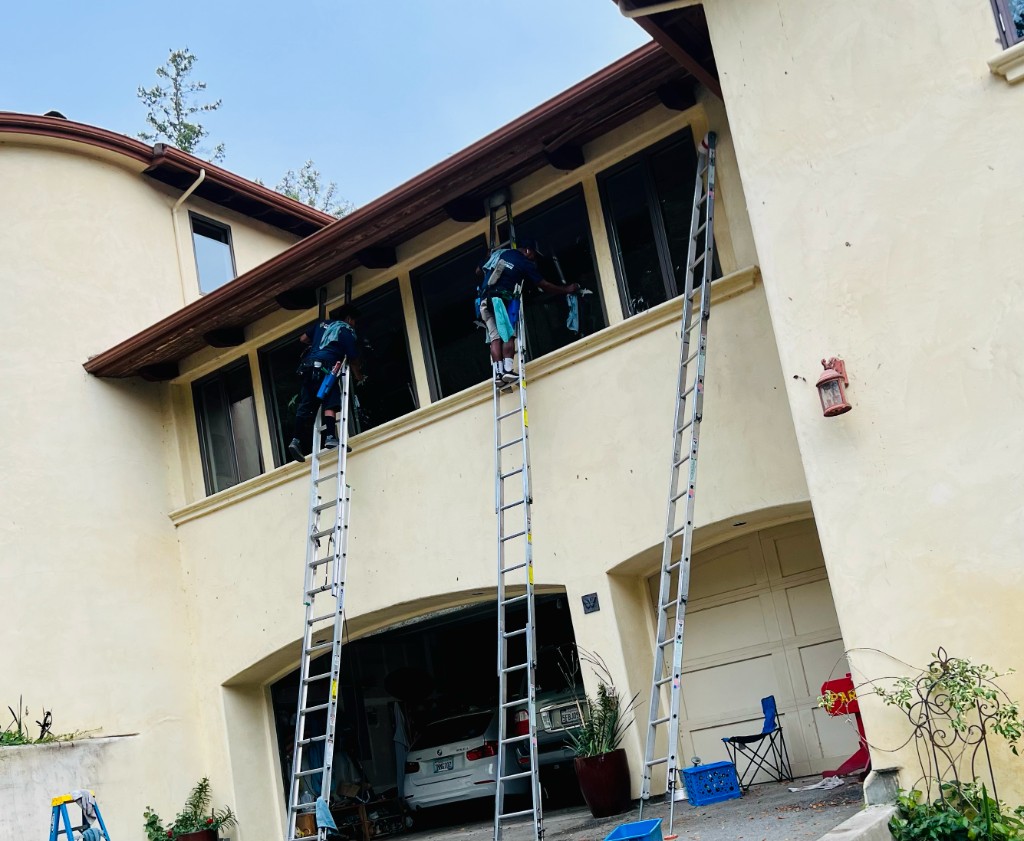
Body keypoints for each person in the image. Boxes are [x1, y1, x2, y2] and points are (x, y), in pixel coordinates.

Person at [475, 238, 578, 385]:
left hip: (484, 301)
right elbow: (544, 285)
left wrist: (487, 256)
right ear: (528, 251)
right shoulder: (524, 262)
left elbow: (478, 270)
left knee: (495, 338)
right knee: (508, 335)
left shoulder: (499, 254)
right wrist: (566, 290)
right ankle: (507, 371)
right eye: (534, 257)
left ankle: (498, 374)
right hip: (499, 300)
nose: (534, 261)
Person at [286, 304, 362, 463]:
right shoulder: (345, 330)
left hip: (308, 367)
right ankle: (330, 436)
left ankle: (295, 440)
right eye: (354, 321)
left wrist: (317, 344)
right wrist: (358, 376)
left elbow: (303, 339)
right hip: (326, 369)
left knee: (305, 405)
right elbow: (353, 358)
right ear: (349, 319)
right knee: (331, 401)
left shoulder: (321, 325)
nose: (354, 325)